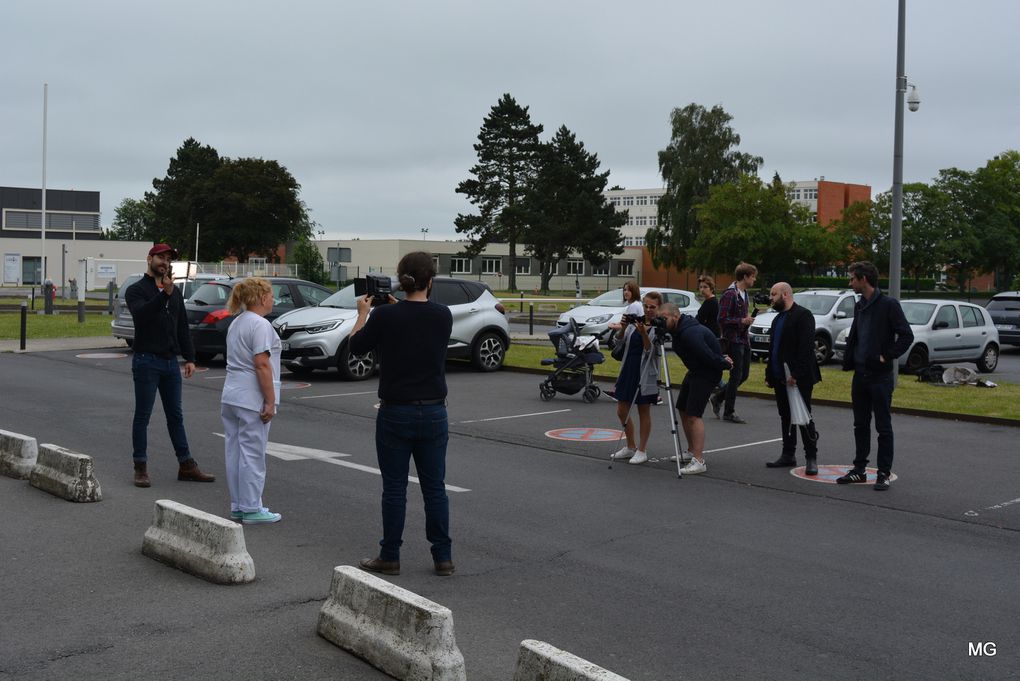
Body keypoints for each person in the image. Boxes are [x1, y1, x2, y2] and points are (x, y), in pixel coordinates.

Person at [350, 252, 455, 577]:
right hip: (435, 410)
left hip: (396, 411)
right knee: (435, 487)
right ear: (430, 281)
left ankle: (390, 554)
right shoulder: (443, 315)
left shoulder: (384, 317)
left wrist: (363, 315)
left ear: (401, 279)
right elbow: (419, 324)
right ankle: (443, 557)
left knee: (395, 487)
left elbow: (355, 347)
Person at [126, 244, 214, 487]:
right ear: (150, 259)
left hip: (169, 363)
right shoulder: (137, 290)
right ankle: (140, 467)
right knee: (142, 415)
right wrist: (162, 294)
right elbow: (141, 316)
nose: (164, 262)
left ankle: (186, 465)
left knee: (175, 415)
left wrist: (190, 357)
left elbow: (181, 326)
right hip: (146, 361)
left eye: (168, 259)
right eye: (161, 258)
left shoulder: (174, 293)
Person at [837, 262, 913, 491]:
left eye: (852, 279)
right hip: (860, 375)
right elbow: (858, 336)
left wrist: (885, 356)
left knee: (883, 426)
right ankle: (859, 470)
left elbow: (906, 336)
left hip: (880, 377)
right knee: (860, 425)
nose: (850, 283)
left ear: (864, 279)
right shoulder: (860, 305)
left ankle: (883, 473)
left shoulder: (888, 305)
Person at [220, 278, 283, 524]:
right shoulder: (260, 325)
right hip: (251, 396)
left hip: (232, 393)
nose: (273, 299)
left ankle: (238, 504)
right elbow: (262, 364)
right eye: (270, 294)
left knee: (234, 451)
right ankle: (251, 507)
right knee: (253, 453)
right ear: (259, 298)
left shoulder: (238, 322)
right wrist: (270, 400)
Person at [660, 303, 732, 475]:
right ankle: (691, 450)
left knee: (694, 414)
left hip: (706, 372)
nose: (661, 322)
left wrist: (724, 363)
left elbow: (706, 354)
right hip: (696, 370)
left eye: (664, 318)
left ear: (675, 316)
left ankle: (699, 460)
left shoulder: (690, 333)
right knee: (683, 408)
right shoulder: (678, 329)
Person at [763, 283, 822, 475]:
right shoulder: (777, 319)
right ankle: (788, 454)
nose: (771, 298)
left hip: (799, 378)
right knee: (786, 416)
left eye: (774, 294)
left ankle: (811, 457)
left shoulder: (803, 315)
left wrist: (796, 374)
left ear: (786, 294)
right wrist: (769, 374)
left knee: (804, 416)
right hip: (780, 377)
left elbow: (805, 348)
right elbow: (774, 349)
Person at [610, 292, 663, 465]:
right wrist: (624, 328)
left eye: (652, 307)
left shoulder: (658, 327)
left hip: (646, 372)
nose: (648, 310)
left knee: (643, 410)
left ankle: (642, 449)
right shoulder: (635, 324)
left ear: (659, 308)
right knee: (621, 409)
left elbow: (652, 353)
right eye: (646, 306)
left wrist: (644, 334)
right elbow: (618, 343)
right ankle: (630, 445)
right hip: (628, 368)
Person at [712, 262, 757, 423]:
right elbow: (722, 319)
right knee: (736, 375)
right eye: (753, 276)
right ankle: (728, 412)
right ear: (744, 276)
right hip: (733, 340)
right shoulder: (730, 294)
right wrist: (742, 321)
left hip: (743, 339)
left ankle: (718, 397)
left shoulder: (743, 294)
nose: (755, 280)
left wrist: (746, 321)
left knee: (743, 375)